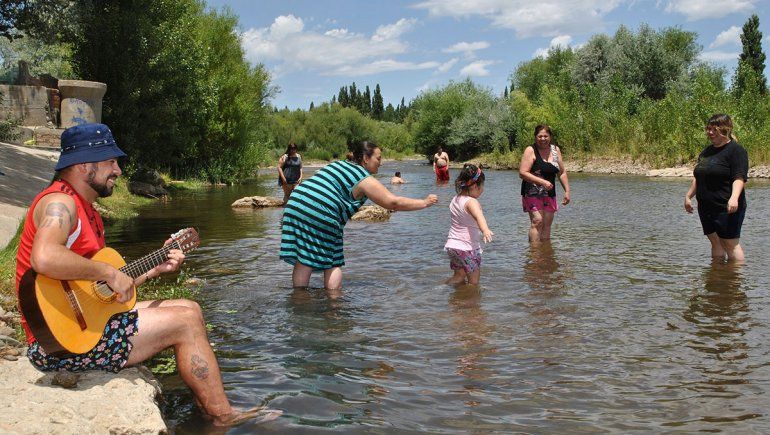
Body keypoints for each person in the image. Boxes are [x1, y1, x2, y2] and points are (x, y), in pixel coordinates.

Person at [14, 123, 279, 426]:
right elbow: (45, 256)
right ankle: (222, 417)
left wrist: (154, 268)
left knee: (190, 308)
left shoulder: (87, 210)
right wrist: (107, 271)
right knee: (185, 321)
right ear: (85, 165)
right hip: (57, 349)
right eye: (111, 162)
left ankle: (205, 405)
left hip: (76, 332)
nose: (118, 170)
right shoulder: (60, 203)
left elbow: (100, 291)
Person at [280, 140, 438, 294]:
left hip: (295, 203)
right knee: (333, 260)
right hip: (320, 210)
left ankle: (298, 299)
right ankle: (333, 302)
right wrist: (424, 203)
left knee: (304, 257)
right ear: (366, 158)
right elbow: (393, 202)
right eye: (378, 158)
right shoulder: (364, 178)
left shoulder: (340, 164)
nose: (380, 163)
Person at [685, 114, 748, 261]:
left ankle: (735, 274)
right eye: (708, 129)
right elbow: (699, 176)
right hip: (706, 206)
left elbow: (739, 178)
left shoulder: (736, 151)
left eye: (714, 129)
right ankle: (717, 273)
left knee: (730, 243)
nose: (710, 132)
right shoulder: (706, 152)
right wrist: (688, 196)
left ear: (726, 129)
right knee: (715, 241)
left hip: (726, 206)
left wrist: (734, 198)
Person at [519, 125, 570, 243]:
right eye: (540, 136)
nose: (543, 139)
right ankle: (534, 251)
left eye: (545, 136)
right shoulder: (530, 150)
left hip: (549, 192)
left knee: (547, 224)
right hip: (532, 192)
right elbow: (522, 173)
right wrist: (542, 181)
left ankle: (546, 251)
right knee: (537, 221)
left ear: (550, 137)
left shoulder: (555, 150)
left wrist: (567, 191)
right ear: (535, 137)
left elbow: (562, 172)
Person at [445, 164, 493, 285]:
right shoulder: (471, 202)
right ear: (475, 186)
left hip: (453, 246)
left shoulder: (455, 199)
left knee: (459, 276)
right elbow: (479, 216)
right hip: (467, 248)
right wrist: (485, 230)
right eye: (482, 186)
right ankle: (471, 297)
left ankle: (442, 289)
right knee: (473, 282)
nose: (483, 190)